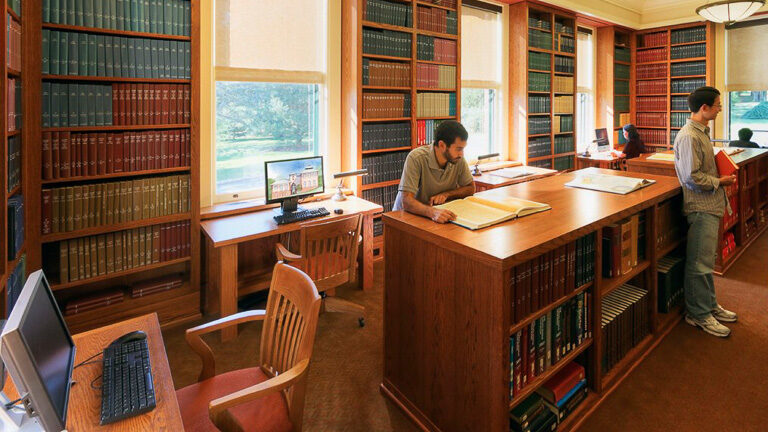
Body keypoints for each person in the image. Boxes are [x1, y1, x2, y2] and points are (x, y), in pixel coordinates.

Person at [673, 86, 738, 338]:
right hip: (700, 206)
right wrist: (720, 181)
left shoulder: (701, 133)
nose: (720, 108)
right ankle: (698, 314)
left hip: (710, 205)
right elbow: (691, 177)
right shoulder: (689, 136)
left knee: (707, 261)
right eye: (718, 105)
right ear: (704, 108)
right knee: (699, 263)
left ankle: (709, 305)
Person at [392, 120, 475, 223]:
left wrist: (447, 194)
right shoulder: (416, 158)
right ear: (442, 145)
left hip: (435, 216)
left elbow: (471, 188)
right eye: (458, 149)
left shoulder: (457, 159)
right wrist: (433, 212)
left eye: (463, 149)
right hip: (405, 217)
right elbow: (407, 201)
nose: (462, 154)